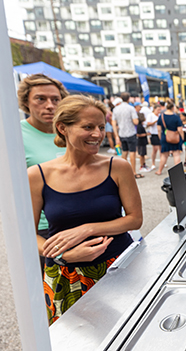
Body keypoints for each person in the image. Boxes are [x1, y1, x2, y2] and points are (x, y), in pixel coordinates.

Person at [27, 95, 142, 324]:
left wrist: (87, 229)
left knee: (128, 331)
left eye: (101, 127)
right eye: (88, 127)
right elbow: (29, 235)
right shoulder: (37, 175)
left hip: (119, 267)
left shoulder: (117, 166)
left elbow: (134, 219)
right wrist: (63, 256)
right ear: (63, 128)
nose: (98, 135)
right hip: (65, 276)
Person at [17, 74, 69, 268]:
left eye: (55, 99)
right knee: (50, 292)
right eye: (40, 99)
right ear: (26, 102)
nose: (49, 105)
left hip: (77, 220)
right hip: (42, 227)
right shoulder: (15, 134)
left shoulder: (68, 131)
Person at [111, 93, 140, 178]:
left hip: (121, 133)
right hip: (130, 132)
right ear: (128, 99)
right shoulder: (131, 108)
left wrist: (116, 136)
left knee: (124, 152)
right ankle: (133, 171)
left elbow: (113, 123)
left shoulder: (116, 109)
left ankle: (124, 171)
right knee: (132, 152)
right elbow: (136, 122)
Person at [155, 102, 183, 175]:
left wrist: (160, 138)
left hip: (165, 137)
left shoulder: (161, 117)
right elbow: (180, 129)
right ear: (173, 108)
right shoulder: (176, 117)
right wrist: (182, 138)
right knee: (176, 154)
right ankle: (179, 172)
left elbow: (158, 129)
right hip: (175, 137)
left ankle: (159, 170)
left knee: (164, 155)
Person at [145, 104, 161, 171]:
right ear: (154, 109)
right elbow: (148, 124)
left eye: (159, 110)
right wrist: (155, 121)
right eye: (157, 110)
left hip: (160, 133)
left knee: (161, 149)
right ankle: (153, 163)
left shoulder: (160, 115)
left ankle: (162, 162)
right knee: (155, 149)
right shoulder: (151, 115)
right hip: (154, 133)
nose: (158, 111)